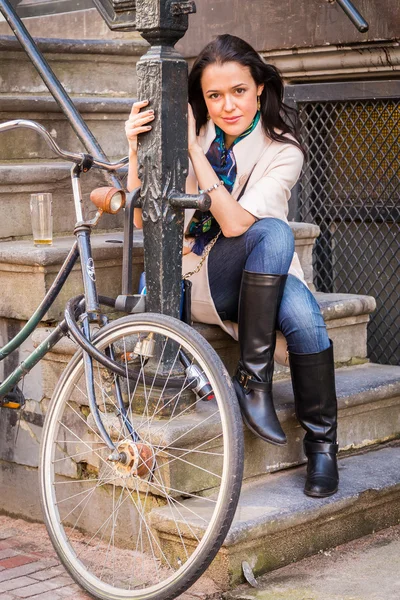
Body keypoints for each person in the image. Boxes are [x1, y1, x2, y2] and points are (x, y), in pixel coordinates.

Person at [125, 34, 339, 498]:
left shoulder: (283, 150)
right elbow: (142, 216)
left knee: (304, 316)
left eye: (238, 91)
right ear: (201, 98)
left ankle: (322, 447)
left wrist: (194, 153)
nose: (227, 106)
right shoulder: (194, 132)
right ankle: (254, 380)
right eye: (213, 95)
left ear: (259, 87)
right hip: (199, 277)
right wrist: (137, 150)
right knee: (278, 232)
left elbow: (238, 223)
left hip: (260, 272)